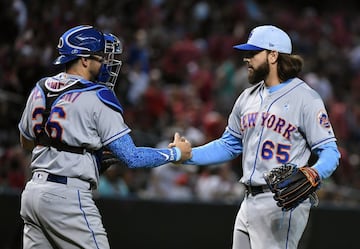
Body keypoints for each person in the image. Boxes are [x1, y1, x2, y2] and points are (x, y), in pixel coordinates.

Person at [18, 25, 192, 249]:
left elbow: (26, 142)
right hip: (68, 198)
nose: (105, 64)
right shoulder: (97, 96)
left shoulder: (40, 88)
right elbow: (132, 157)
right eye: (100, 57)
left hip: (33, 194)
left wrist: (79, 152)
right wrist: (176, 153)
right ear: (83, 59)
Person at [170, 25, 341, 249]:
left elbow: (330, 151)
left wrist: (314, 172)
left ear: (273, 55)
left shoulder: (306, 98)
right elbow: (228, 145)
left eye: (253, 53)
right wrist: (188, 156)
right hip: (248, 200)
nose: (246, 59)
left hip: (282, 202)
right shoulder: (246, 97)